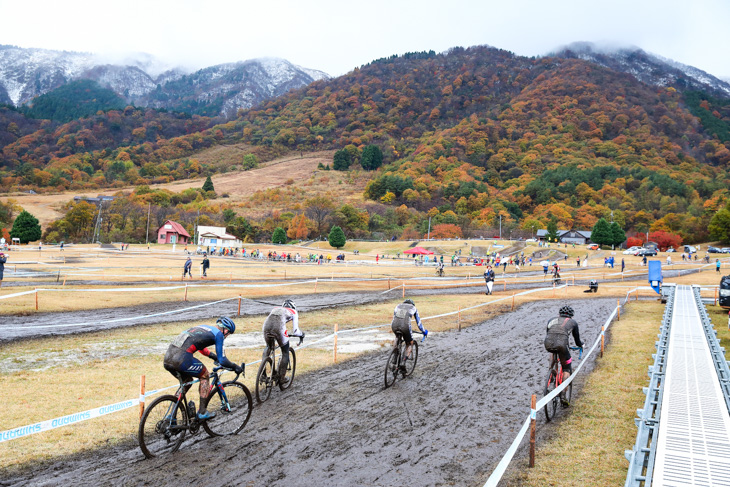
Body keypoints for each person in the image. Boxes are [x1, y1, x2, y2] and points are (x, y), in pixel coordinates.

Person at [163, 317, 242, 421]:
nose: (227, 336)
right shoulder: (219, 334)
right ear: (226, 331)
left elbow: (201, 348)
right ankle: (202, 412)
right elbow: (222, 360)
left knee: (187, 381)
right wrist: (235, 367)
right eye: (228, 334)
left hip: (168, 358)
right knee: (205, 375)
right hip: (181, 358)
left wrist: (213, 356)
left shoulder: (204, 328)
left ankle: (171, 416)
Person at [543, 305, 584, 407]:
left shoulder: (551, 320)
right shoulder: (573, 323)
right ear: (571, 316)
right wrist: (581, 345)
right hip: (562, 345)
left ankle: (551, 371)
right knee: (566, 369)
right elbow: (577, 340)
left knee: (553, 350)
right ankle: (563, 395)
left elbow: (549, 334)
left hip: (548, 343)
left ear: (559, 314)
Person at [262, 299, 305, 386]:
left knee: (268, 347)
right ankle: (281, 378)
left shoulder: (276, 308)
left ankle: (262, 374)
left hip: (266, 326)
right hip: (279, 328)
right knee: (285, 352)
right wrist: (301, 335)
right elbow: (296, 331)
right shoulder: (293, 311)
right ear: (293, 307)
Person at [391, 299, 428, 376]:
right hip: (405, 326)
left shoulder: (398, 306)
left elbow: (395, 317)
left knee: (397, 337)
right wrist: (424, 331)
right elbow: (419, 323)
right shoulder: (413, 308)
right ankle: (403, 362)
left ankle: (394, 357)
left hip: (394, 325)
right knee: (409, 343)